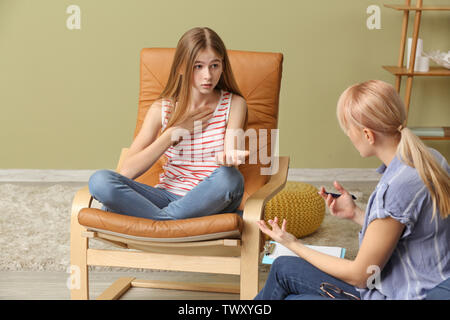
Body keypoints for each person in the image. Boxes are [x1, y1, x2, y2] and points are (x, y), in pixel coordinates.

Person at [255, 80, 450, 300]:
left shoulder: (394, 188)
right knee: (284, 270)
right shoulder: (431, 159)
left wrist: (293, 244)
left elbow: (360, 276)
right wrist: (356, 213)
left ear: (368, 135)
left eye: (348, 128)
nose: (348, 135)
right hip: (428, 282)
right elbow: (405, 231)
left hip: (405, 293)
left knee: (290, 287)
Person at [88, 27, 248, 221]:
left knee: (230, 178)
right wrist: (172, 134)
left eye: (214, 65)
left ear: (223, 66)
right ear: (181, 67)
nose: (208, 75)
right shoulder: (161, 109)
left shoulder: (234, 104)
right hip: (165, 197)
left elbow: (230, 155)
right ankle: (171, 221)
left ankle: (157, 222)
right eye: (198, 66)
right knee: (100, 180)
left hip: (209, 200)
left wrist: (229, 158)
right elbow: (127, 171)